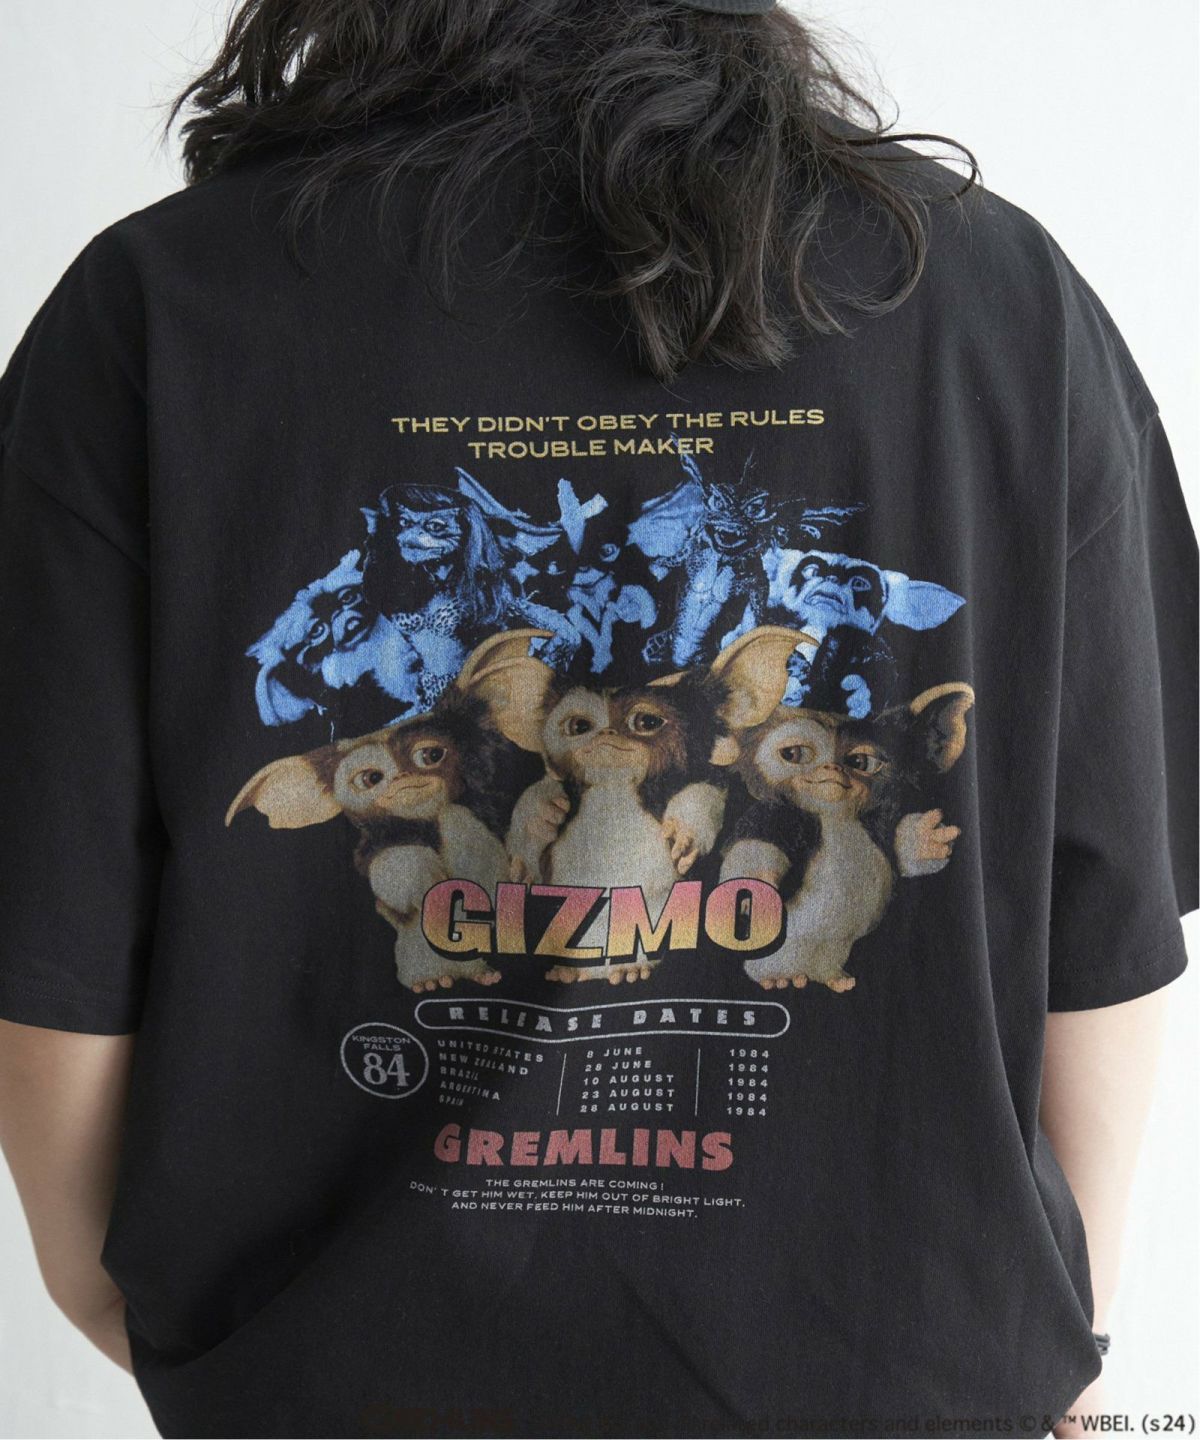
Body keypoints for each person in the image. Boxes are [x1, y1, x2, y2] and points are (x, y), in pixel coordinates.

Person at [0, 0, 1195, 1436]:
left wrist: (140, 1305)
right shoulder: (1002, 300)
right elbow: (1110, 900)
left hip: (343, 1384)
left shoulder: (157, 310)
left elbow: (52, 917)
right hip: (910, 1377)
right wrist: (1059, 1326)